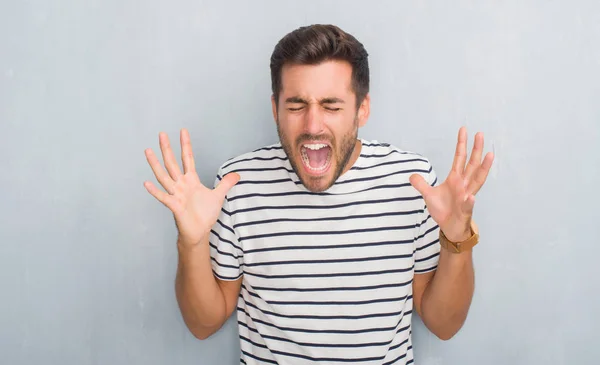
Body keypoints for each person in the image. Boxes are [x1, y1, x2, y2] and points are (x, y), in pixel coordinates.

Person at [144, 24, 494, 365]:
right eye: (296, 106)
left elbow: (443, 325)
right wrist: (191, 243)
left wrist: (456, 237)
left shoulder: (411, 182)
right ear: (274, 109)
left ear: (362, 109)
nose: (312, 125)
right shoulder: (237, 185)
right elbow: (203, 325)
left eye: (332, 106)